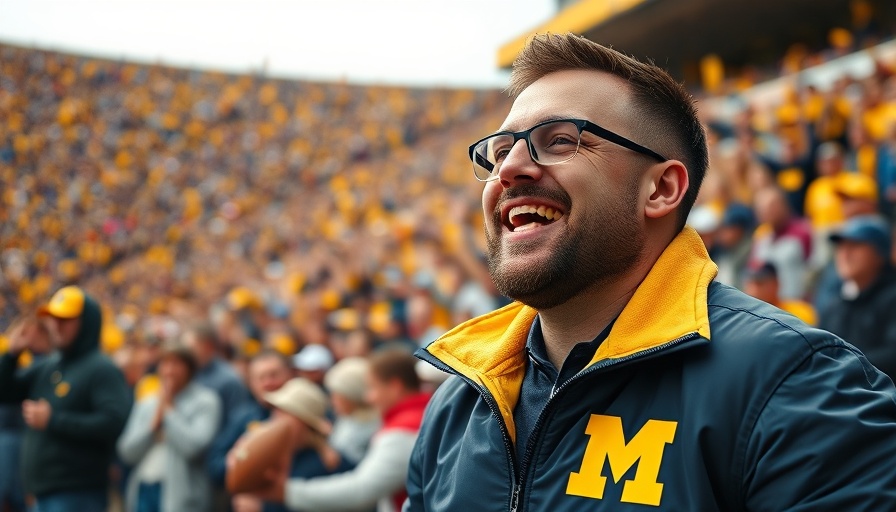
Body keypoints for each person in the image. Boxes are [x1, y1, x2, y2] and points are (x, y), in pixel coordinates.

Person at [405, 33, 896, 511]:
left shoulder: (795, 385)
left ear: (660, 189)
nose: (509, 169)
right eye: (498, 152)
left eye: (558, 141)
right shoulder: (455, 410)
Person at [0, 286, 132, 512]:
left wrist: (54, 420)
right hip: (43, 493)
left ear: (86, 322)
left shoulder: (102, 368)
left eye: (66, 319)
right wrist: (11, 356)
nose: (56, 326)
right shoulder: (50, 364)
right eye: (53, 318)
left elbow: (113, 422)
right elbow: (5, 392)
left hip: (78, 493)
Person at [252, 348, 430, 512]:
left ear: (395, 386)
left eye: (373, 388)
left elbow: (361, 489)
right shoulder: (418, 417)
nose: (369, 397)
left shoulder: (402, 431)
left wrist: (286, 491)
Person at [117, 342, 222, 512]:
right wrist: (152, 428)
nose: (169, 370)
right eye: (165, 363)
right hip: (144, 489)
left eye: (176, 364)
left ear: (189, 368)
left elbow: (194, 448)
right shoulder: (148, 402)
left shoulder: (206, 401)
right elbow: (126, 451)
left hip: (182, 497)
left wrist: (170, 412)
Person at [229, 377, 355, 512]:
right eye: (276, 410)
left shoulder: (330, 463)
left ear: (304, 422)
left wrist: (265, 508)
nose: (276, 418)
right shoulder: (271, 452)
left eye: (284, 412)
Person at [819, 215, 896, 380]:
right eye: (841, 246)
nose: (845, 253)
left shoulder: (892, 299)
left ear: (879, 253)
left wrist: (839, 366)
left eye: (855, 245)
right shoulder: (833, 306)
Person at [207, 350, 295, 490]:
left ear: (289, 375)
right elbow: (215, 466)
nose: (268, 383)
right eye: (261, 378)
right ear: (251, 384)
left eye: (274, 375)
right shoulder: (242, 417)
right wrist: (236, 461)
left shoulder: (303, 414)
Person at [323, 356, 381, 465]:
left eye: (336, 395)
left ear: (351, 395)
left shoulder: (374, 429)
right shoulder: (348, 417)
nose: (332, 401)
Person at [742, 262, 817, 326]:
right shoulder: (743, 317)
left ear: (776, 283)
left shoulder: (800, 310)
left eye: (760, 283)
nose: (754, 290)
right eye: (750, 283)